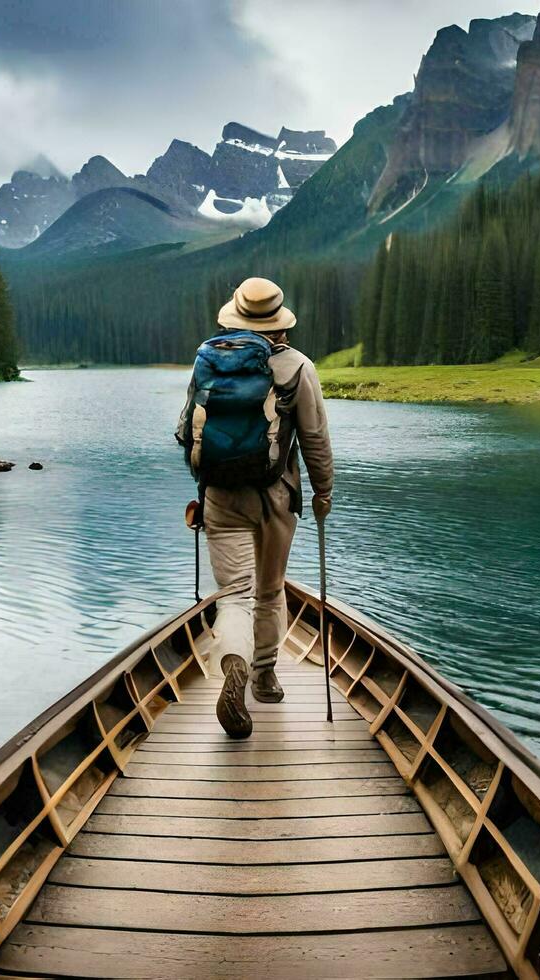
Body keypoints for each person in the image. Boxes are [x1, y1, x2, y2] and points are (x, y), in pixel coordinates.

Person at [176, 277, 333, 740]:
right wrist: (322, 493)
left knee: (235, 594)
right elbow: (315, 441)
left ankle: (233, 668)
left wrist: (208, 484)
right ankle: (263, 676)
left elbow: (187, 431)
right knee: (268, 591)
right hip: (275, 498)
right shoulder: (298, 367)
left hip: (220, 496)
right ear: (280, 323)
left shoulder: (208, 362)